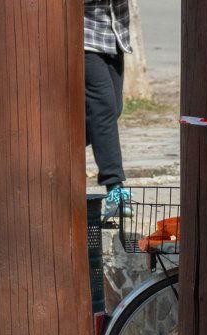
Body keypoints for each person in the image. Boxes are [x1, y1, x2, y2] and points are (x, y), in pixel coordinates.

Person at [84, 0, 133, 219]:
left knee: (112, 111)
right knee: (103, 109)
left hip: (112, 36)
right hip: (83, 37)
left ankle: (52, 153)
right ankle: (114, 187)